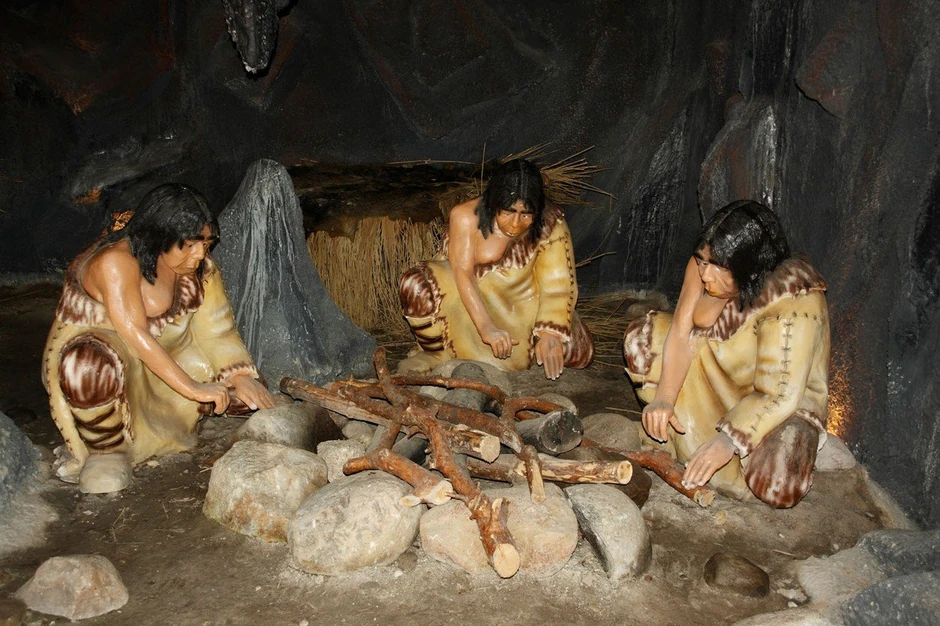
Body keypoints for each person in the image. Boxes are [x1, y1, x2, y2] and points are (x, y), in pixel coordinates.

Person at [43, 183, 275, 494]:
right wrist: (193, 388)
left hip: (172, 360)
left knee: (248, 394)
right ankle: (107, 451)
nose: (200, 255)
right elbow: (135, 335)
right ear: (158, 236)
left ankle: (185, 412)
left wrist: (239, 375)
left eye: (206, 244)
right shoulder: (115, 263)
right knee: (86, 366)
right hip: (116, 361)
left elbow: (216, 327)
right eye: (189, 245)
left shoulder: (197, 266)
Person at [623, 200, 830, 507]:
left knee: (778, 482)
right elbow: (681, 333)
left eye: (718, 267)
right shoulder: (704, 267)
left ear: (750, 267)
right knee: (641, 342)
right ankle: (681, 433)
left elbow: (779, 392)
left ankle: (736, 456)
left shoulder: (794, 302)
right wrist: (664, 397)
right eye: (702, 262)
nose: (705, 274)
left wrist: (729, 438)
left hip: (775, 403)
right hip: (719, 372)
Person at [398, 158, 594, 379]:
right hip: (464, 299)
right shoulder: (466, 216)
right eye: (507, 213)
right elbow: (462, 273)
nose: (515, 224)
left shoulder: (549, 227)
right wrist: (486, 327)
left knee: (574, 351)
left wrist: (550, 333)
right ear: (493, 203)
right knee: (416, 285)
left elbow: (557, 286)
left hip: (519, 306)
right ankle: (436, 353)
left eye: (526, 215)